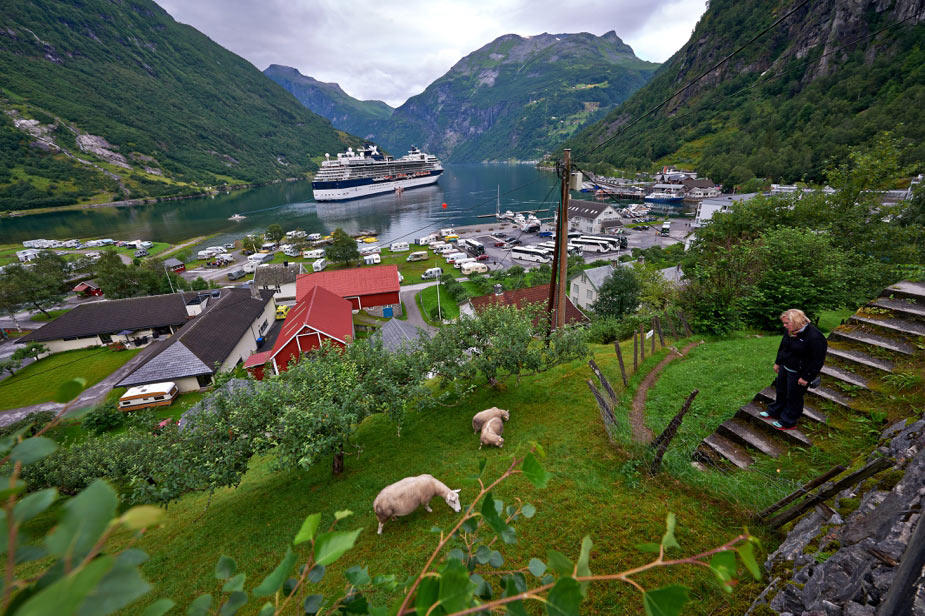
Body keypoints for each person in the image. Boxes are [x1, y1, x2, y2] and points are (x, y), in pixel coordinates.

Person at [761, 308, 828, 430]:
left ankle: (788, 421)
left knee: (794, 397)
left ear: (796, 322)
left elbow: (817, 360)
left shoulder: (815, 337)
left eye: (787, 323)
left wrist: (806, 377)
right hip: (785, 368)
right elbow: (783, 347)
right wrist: (778, 362)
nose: (784, 325)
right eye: (784, 323)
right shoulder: (790, 331)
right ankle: (775, 411)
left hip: (799, 373)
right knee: (781, 391)